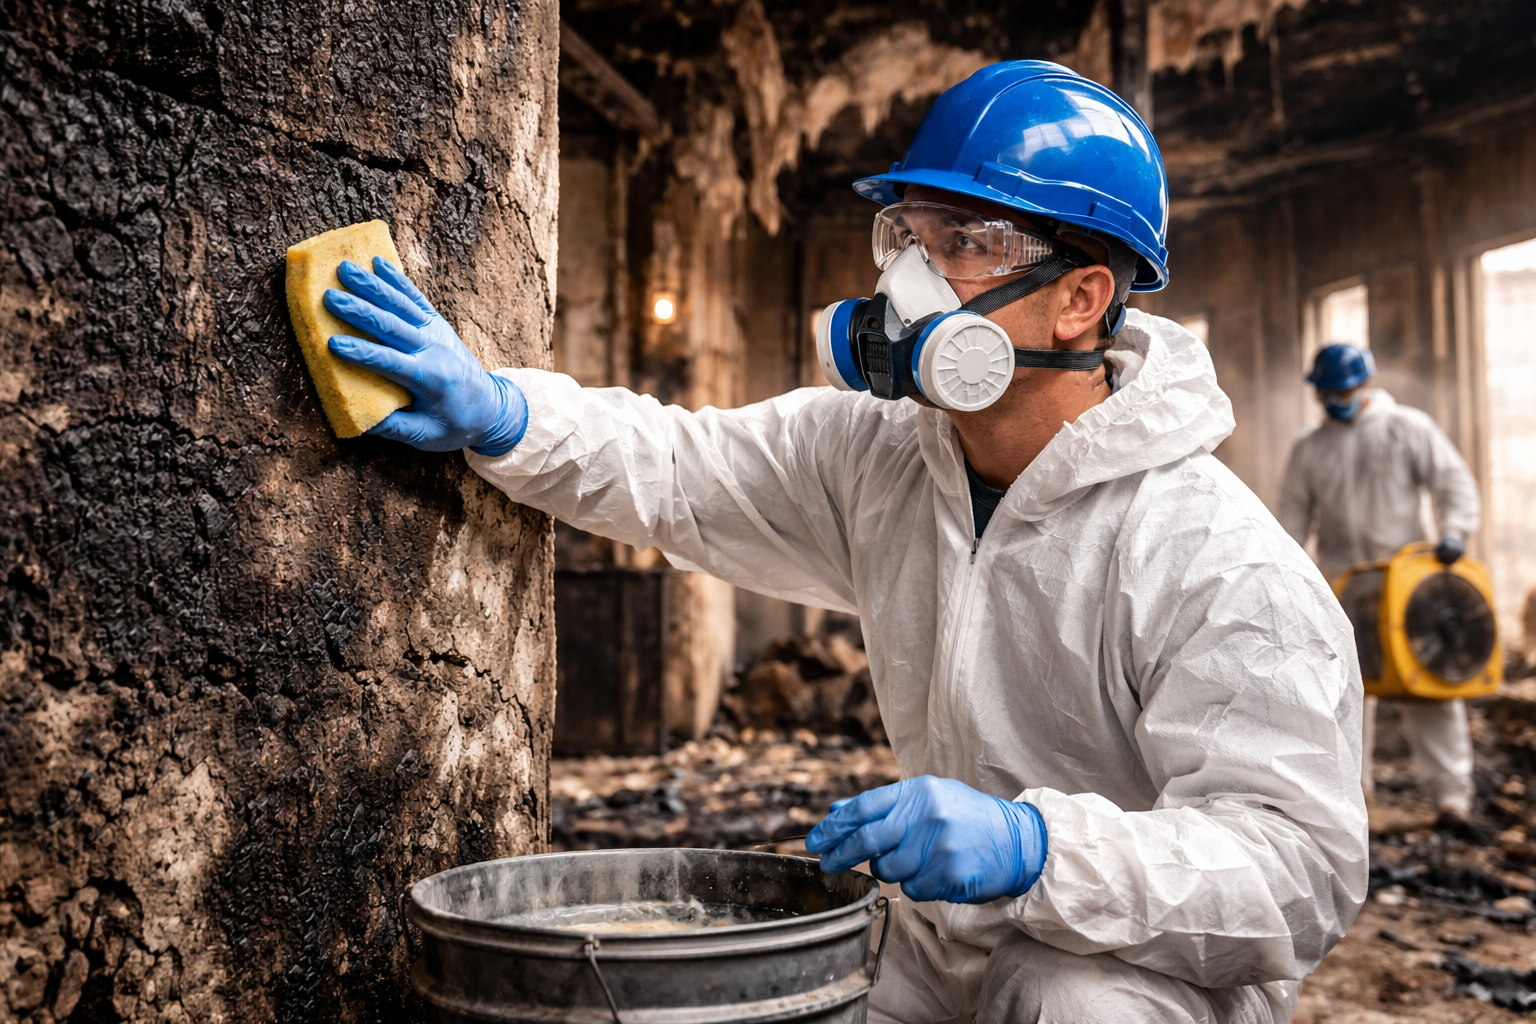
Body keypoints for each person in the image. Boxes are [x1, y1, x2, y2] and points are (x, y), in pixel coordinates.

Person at [322, 62, 1365, 1022]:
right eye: (909, 237)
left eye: (964, 242)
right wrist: (503, 414)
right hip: (937, 940)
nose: (910, 280)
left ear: (1083, 299)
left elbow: (1299, 868)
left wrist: (1040, 850)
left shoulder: (1212, 559)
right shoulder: (884, 458)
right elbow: (680, 468)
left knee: (1066, 998)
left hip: (1143, 971)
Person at [1280, 342, 1483, 830]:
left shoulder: (1407, 428)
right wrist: (1288, 570)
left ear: (1363, 383)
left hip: (1407, 582)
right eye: (1327, 391)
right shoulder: (1310, 448)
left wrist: (1454, 531)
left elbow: (1453, 483)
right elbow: (1290, 517)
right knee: (1344, 693)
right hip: (1344, 586)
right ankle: (1352, 801)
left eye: (1343, 389)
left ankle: (1450, 799)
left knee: (1429, 687)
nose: (1335, 398)